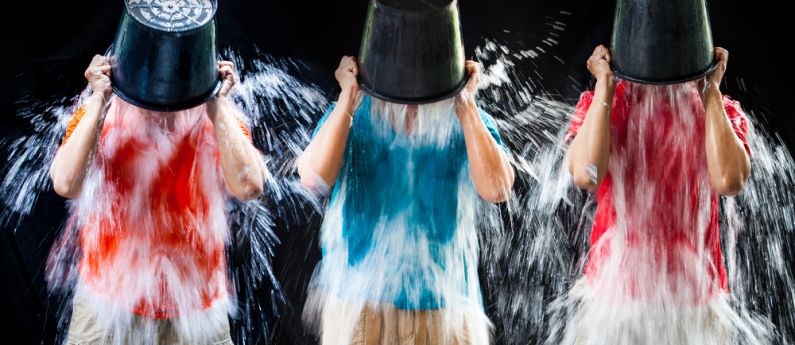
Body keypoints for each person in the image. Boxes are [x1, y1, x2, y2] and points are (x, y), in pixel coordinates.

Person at [49, 55, 267, 344]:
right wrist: (100, 98)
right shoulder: (103, 108)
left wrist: (216, 105)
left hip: (196, 311)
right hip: (107, 307)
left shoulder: (219, 114)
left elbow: (250, 186)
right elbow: (66, 182)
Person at [297, 56, 515, 345]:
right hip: (360, 305)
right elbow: (314, 177)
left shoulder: (465, 118)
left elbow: (498, 188)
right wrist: (347, 97)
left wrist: (467, 106)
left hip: (447, 305)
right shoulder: (352, 113)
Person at [563, 45, 752, 344]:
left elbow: (729, 180)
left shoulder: (721, 112)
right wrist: (604, 86)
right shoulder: (603, 102)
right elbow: (586, 174)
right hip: (615, 303)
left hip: (694, 304)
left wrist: (710, 91)